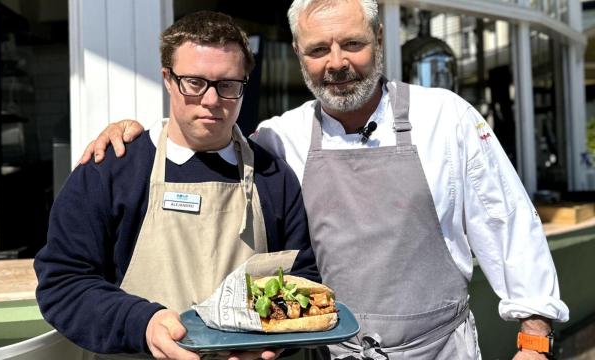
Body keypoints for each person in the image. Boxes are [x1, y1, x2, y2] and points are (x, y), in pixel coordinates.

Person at [81, 0, 569, 359]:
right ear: (298, 53)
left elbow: (508, 226)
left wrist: (534, 338)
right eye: (318, 49)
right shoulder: (279, 137)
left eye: (352, 43)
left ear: (378, 40)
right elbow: (203, 129)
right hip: (328, 354)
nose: (336, 62)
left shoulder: (447, 118)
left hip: (439, 350)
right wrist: (135, 133)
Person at [35, 11, 319, 360]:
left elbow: (302, 279)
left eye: (228, 85)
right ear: (168, 79)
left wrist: (272, 342)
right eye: (194, 83)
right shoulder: (111, 170)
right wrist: (142, 323)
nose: (212, 100)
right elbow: (63, 283)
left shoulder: (273, 177)